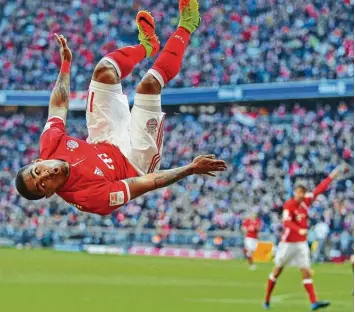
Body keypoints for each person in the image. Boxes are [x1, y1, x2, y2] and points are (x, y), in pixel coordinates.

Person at [15, 0, 228, 216]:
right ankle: (188, 25)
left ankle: (148, 46)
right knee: (148, 85)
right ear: (50, 194)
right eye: (42, 185)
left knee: (104, 69)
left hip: (102, 139)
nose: (45, 176)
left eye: (37, 172)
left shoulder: (50, 145)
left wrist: (66, 65)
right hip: (135, 160)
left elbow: (59, 105)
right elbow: (146, 182)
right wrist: (190, 169)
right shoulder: (89, 198)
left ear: (38, 161)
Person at [263, 166, 347, 311]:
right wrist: (299, 229)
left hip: (300, 244)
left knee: (306, 271)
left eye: (303, 193)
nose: (301, 195)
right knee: (277, 270)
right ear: (295, 192)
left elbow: (320, 188)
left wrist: (334, 174)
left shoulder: (306, 201)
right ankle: (266, 300)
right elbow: (286, 222)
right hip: (288, 243)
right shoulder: (289, 205)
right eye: (299, 192)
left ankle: (313, 302)